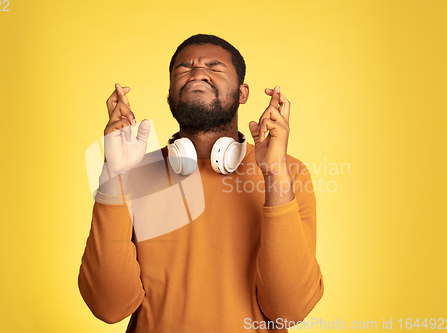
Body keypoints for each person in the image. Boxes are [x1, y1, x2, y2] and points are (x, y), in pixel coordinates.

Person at [78, 34, 324, 332]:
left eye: (214, 66)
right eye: (184, 68)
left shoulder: (288, 173)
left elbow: (289, 309)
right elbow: (109, 306)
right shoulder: (132, 175)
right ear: (170, 93)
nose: (197, 73)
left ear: (242, 93)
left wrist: (273, 175)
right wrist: (114, 177)